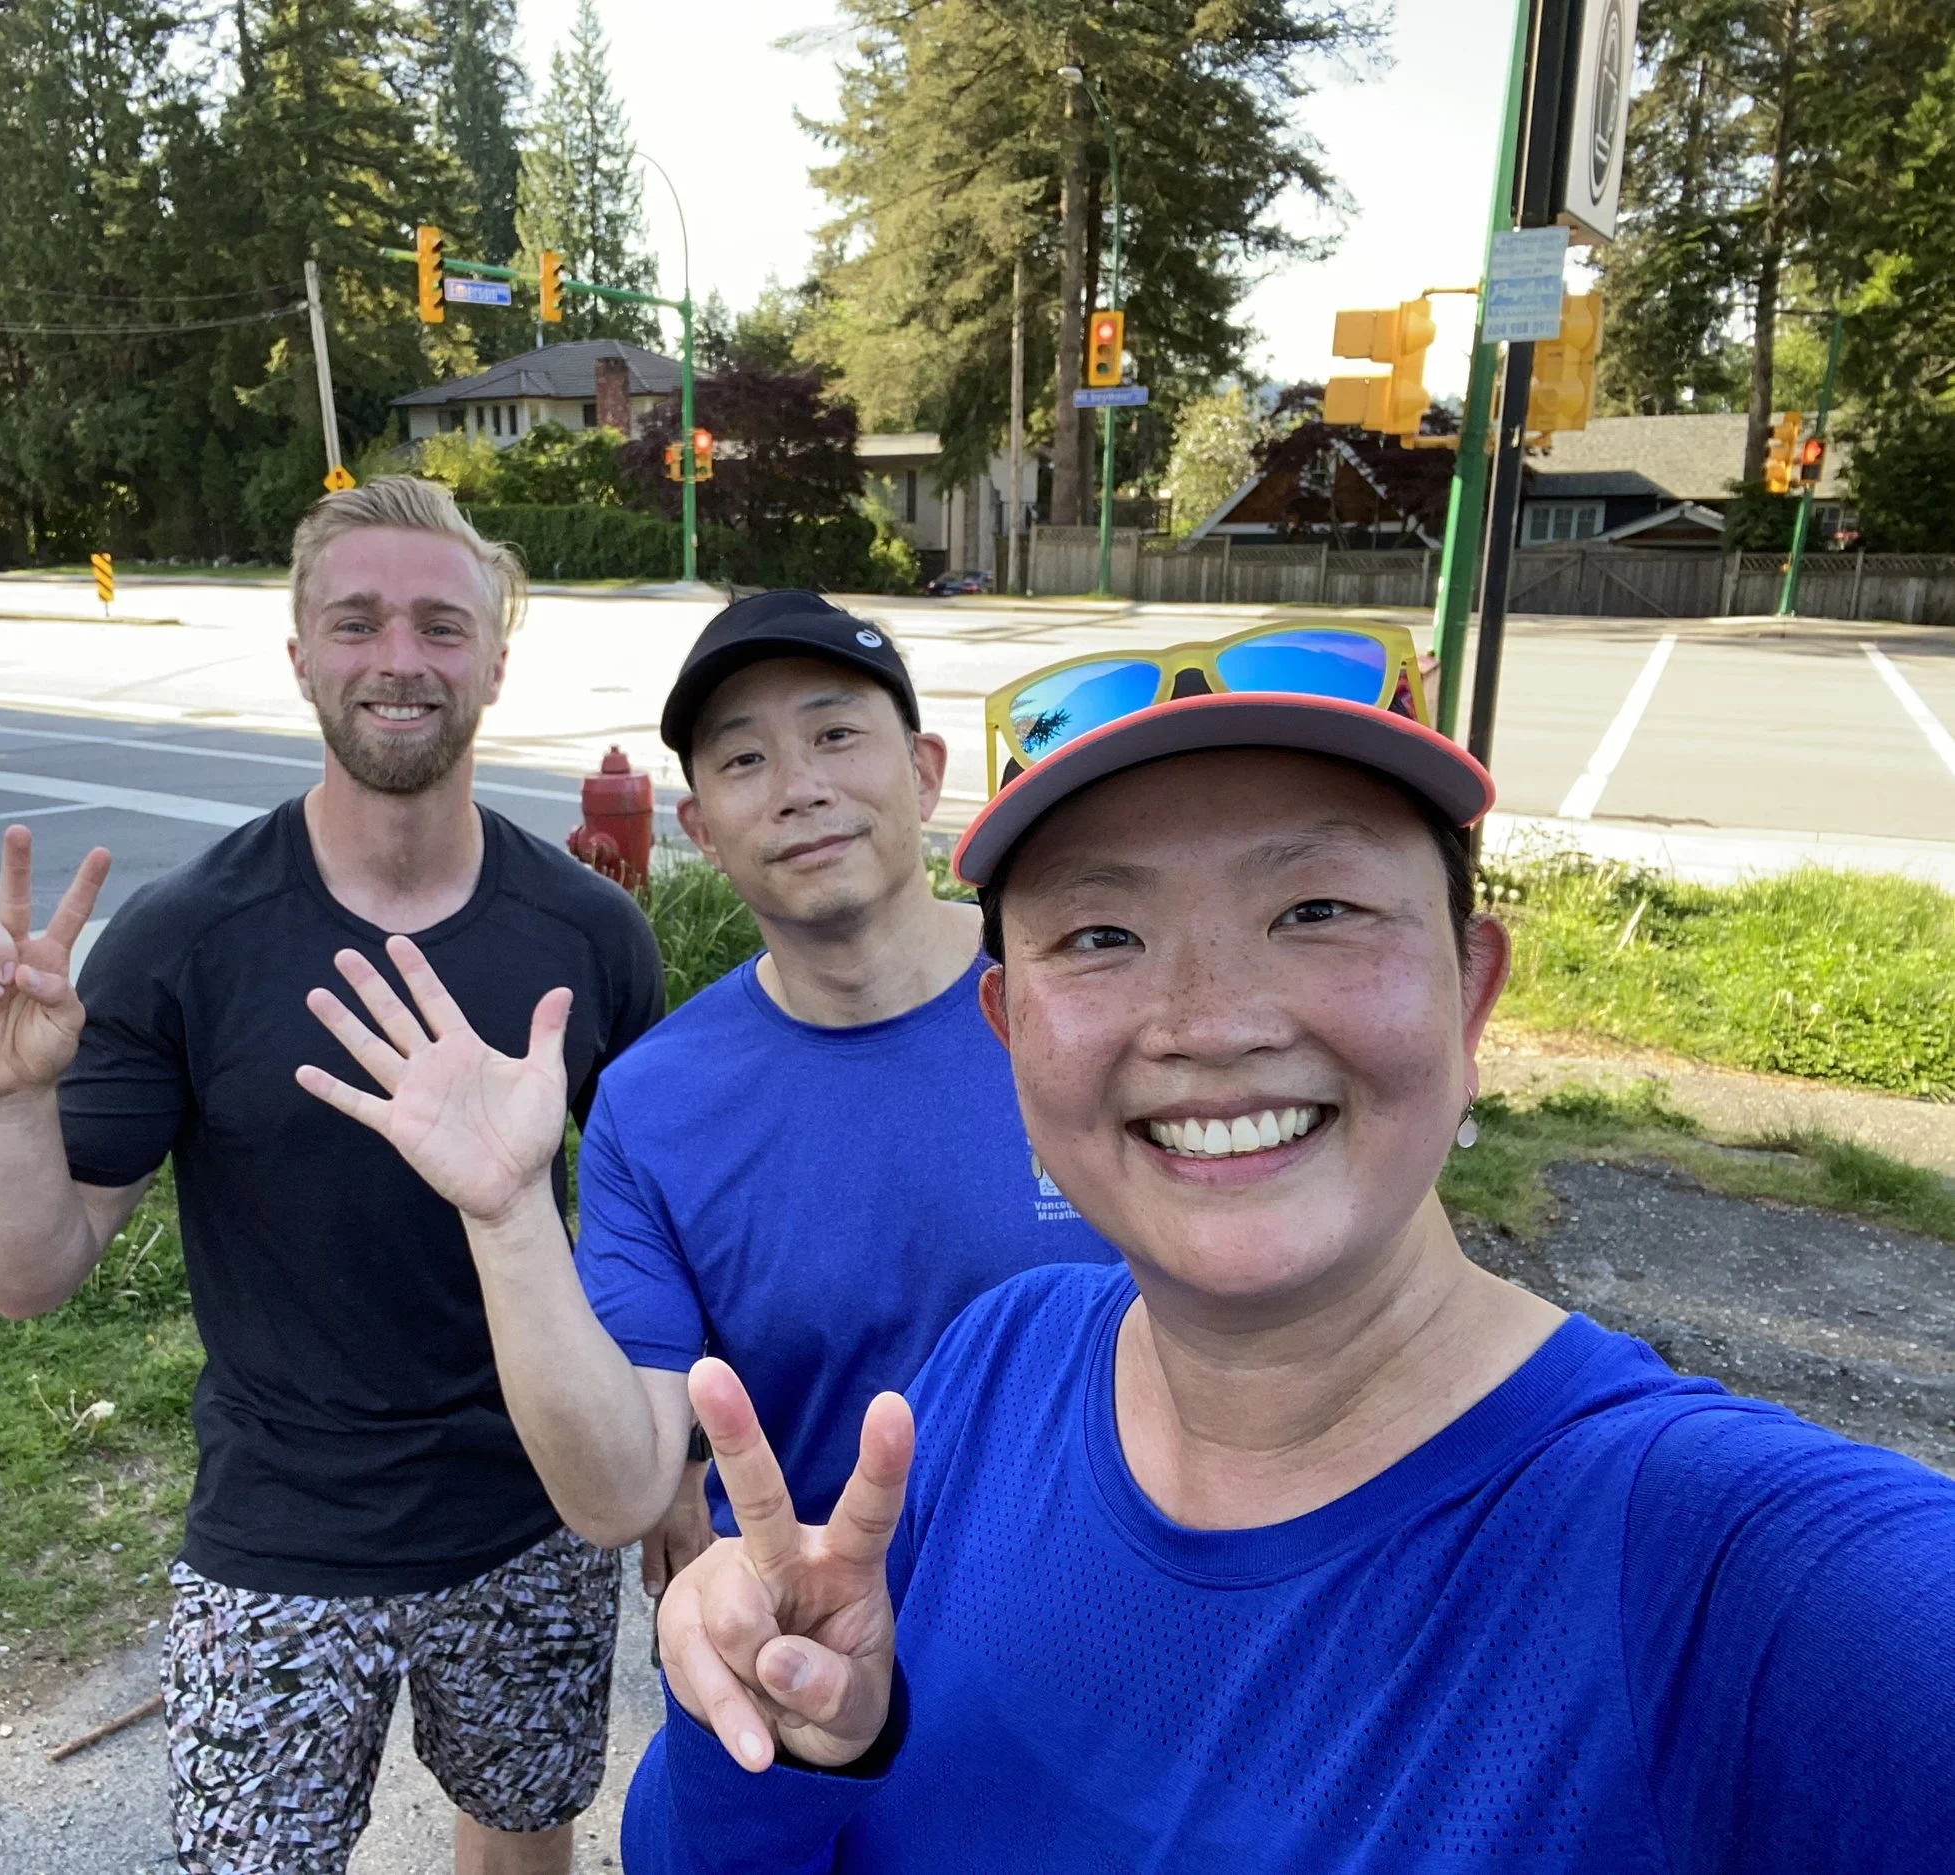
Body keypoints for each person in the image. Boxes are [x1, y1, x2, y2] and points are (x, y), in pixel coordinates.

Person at [624, 625, 1955, 1870]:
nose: (1210, 1020)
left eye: (1316, 907)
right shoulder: (999, 1362)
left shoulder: (1745, 1576)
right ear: (1012, 1028)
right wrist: (774, 1731)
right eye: (1103, 933)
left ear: (1472, 984)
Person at [0, 476, 663, 1875]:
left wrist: (670, 1465)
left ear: (497, 662)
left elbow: (657, 1244)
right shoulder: (185, 937)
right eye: (358, 620)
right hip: (275, 1531)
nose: (401, 655)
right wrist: (7, 1100)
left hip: (530, 1510)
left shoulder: (592, 938)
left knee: (521, 1830)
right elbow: (26, 1276)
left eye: (443, 625)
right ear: (301, 656)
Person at [294, 591, 1117, 1603]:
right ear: (701, 829)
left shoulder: (1092, 1006)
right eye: (743, 760)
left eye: (836, 734)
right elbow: (617, 1492)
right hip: (804, 1651)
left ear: (924, 771)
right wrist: (507, 1217)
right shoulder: (652, 1106)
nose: (799, 787)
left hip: (1117, 1620)